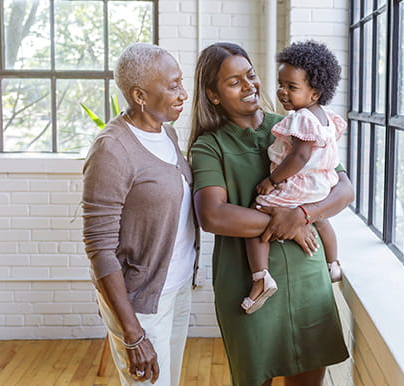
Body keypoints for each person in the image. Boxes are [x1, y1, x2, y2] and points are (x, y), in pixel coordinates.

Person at [188, 42, 353, 386]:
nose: (250, 86)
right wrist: (287, 224)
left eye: (250, 75)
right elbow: (213, 215)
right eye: (234, 82)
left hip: (308, 280)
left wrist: (303, 213)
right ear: (213, 95)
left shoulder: (295, 126)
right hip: (250, 285)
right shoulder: (209, 146)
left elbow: (345, 190)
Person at [82, 43, 198, 386]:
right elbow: (99, 249)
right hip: (141, 304)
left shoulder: (167, 133)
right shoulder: (112, 150)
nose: (184, 94)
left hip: (176, 289)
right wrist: (132, 334)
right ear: (140, 95)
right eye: (173, 85)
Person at [242, 40, 346, 314]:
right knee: (321, 221)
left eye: (292, 87)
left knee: (257, 212)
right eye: (281, 84)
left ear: (314, 93)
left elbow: (298, 157)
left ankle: (260, 276)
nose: (282, 92)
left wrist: (272, 180)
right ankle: (333, 264)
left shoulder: (301, 118)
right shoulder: (326, 117)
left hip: (299, 185)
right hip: (321, 185)